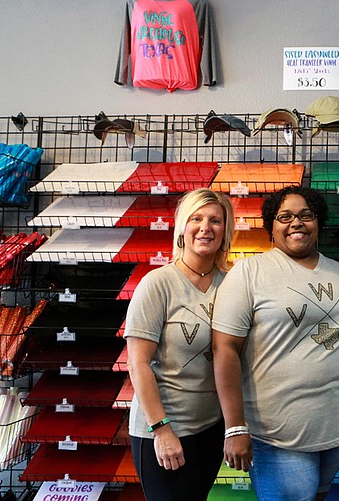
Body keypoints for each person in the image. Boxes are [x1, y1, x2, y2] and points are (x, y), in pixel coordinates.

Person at [212, 186, 339, 501]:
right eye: (285, 217)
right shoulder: (249, 273)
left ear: (318, 223)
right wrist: (235, 427)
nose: (296, 223)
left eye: (306, 215)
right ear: (271, 227)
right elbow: (225, 350)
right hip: (279, 433)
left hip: (338, 426)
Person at [125, 188, 235, 501]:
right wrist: (161, 430)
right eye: (196, 218)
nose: (205, 227)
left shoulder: (232, 285)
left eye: (215, 220)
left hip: (212, 427)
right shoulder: (157, 284)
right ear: (182, 228)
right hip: (164, 428)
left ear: (226, 230)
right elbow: (138, 363)